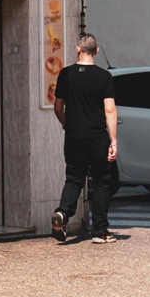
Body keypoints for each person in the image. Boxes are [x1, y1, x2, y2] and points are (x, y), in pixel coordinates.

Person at [50, 34, 119, 244]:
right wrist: (113, 140)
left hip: (73, 136)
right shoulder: (104, 77)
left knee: (74, 178)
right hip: (97, 137)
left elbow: (58, 106)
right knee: (101, 182)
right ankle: (100, 231)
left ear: (77, 48)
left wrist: (66, 124)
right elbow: (109, 109)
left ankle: (63, 213)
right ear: (96, 52)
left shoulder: (66, 74)